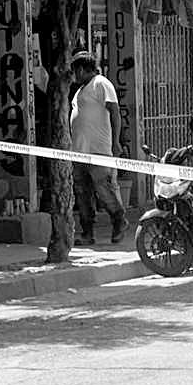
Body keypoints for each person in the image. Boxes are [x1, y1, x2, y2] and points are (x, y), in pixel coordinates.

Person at [69, 50, 129, 245]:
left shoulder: (101, 83)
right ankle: (88, 233)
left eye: (75, 71)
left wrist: (117, 141)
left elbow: (115, 112)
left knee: (103, 189)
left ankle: (119, 219)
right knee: (82, 194)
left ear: (82, 69)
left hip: (98, 150)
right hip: (79, 151)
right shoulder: (80, 90)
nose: (74, 75)